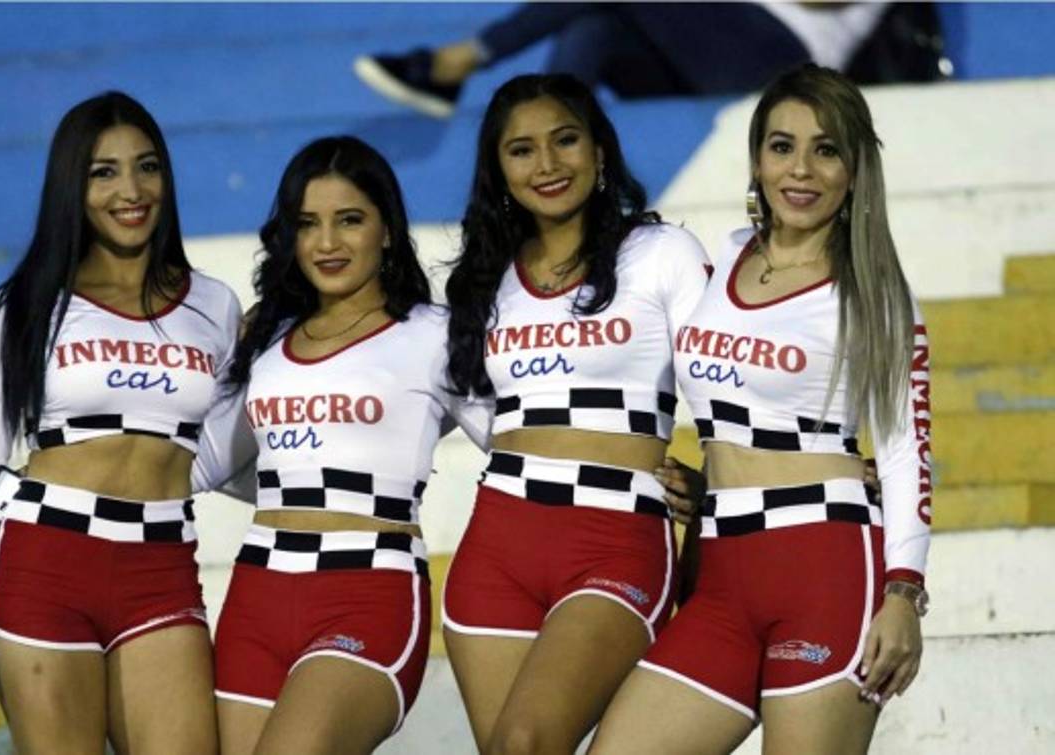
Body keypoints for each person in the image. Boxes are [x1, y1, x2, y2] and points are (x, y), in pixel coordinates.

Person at [589, 64, 932, 754]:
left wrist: (904, 594)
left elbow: (905, 453)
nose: (800, 169)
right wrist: (701, 473)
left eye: (826, 149)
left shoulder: (877, 295)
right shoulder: (728, 255)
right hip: (719, 577)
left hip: (825, 568)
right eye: (782, 146)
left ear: (856, 168)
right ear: (756, 159)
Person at [0, 92, 240, 754]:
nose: (131, 190)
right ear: (73, 184)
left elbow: (220, 454)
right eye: (104, 172)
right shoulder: (26, 304)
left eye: (147, 167)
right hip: (46, 565)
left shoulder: (214, 305)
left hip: (162, 568)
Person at [190, 135, 493, 755]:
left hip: (367, 594)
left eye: (349, 220)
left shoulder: (433, 336)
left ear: (386, 229)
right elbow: (206, 464)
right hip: (257, 597)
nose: (327, 243)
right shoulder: (265, 340)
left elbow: (516, 443)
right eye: (308, 224)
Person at [441, 73, 710, 754]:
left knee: (524, 741)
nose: (548, 164)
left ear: (599, 149)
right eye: (522, 150)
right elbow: (474, 402)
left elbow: (726, 376)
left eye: (565, 140)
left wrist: (717, 479)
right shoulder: (485, 278)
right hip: (498, 541)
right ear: (498, 169)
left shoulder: (662, 254)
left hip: (615, 537)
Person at [353, 3, 945, 119]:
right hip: (706, 51)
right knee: (594, 25)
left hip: (783, 61)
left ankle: (458, 61)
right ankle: (559, 143)